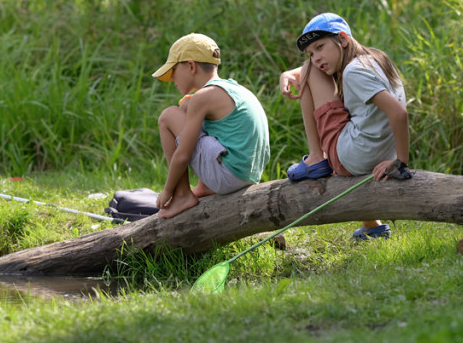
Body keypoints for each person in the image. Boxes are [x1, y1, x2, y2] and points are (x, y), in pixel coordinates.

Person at [279, 12, 410, 241]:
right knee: (311, 71)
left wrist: (401, 163)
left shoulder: (353, 72)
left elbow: (399, 113)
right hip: (377, 151)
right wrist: (286, 74)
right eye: (311, 53)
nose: (316, 57)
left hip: (352, 157)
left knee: (308, 70)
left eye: (320, 47)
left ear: (342, 39)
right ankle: (372, 226)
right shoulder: (376, 59)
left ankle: (315, 158)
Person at [152, 33, 270, 219]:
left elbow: (182, 155)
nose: (171, 78)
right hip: (248, 174)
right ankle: (204, 187)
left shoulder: (203, 97)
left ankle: (182, 195)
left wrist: (168, 190)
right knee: (184, 107)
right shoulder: (231, 89)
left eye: (173, 71)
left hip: (229, 177)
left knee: (168, 116)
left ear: (191, 66)